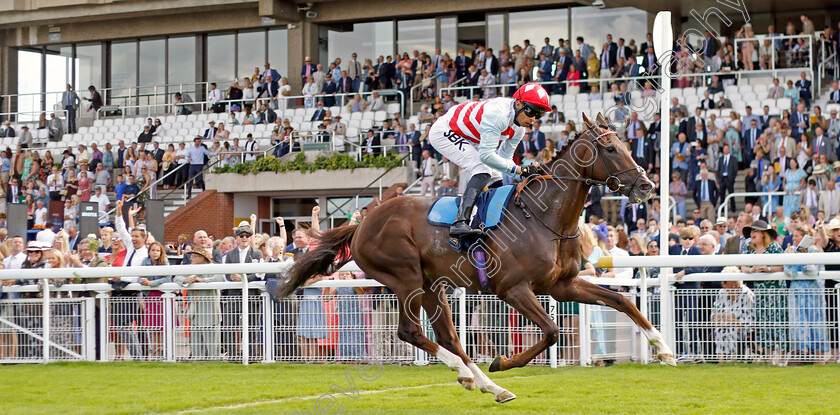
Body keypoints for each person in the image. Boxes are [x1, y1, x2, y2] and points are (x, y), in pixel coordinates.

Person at [429, 83, 550, 238]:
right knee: (482, 169)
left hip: (470, 135)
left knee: (496, 177)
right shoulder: (498, 115)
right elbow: (486, 156)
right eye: (531, 111)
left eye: (538, 115)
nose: (533, 119)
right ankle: (460, 222)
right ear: (518, 104)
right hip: (445, 131)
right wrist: (519, 170)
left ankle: (493, 219)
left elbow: (504, 159)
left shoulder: (519, 128)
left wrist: (526, 173)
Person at [740, 220, 786, 364]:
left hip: (776, 291)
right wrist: (752, 270)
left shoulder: (774, 247)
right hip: (760, 291)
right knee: (763, 323)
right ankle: (768, 358)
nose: (752, 234)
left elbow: (781, 267)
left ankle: (782, 358)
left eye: (755, 231)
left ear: (763, 234)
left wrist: (768, 269)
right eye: (751, 231)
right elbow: (743, 267)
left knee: (778, 323)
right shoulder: (748, 247)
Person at [785, 225, 828, 363]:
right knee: (798, 322)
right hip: (796, 290)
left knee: (814, 321)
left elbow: (812, 271)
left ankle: (818, 358)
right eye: (793, 235)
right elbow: (789, 272)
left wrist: (802, 257)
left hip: (811, 290)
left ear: (804, 237)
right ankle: (800, 356)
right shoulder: (789, 250)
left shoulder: (813, 250)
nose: (794, 238)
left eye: (797, 235)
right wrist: (791, 258)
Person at [174, 247, 225, 359]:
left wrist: (202, 280)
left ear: (203, 258)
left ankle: (215, 362)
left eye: (195, 256)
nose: (192, 258)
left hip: (210, 312)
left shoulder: (212, 267)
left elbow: (220, 278)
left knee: (212, 345)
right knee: (196, 344)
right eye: (191, 256)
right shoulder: (189, 268)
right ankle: (197, 362)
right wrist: (186, 280)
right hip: (195, 313)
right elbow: (176, 278)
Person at [712, 266, 756, 363]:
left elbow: (750, 318)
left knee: (732, 329)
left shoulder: (746, 294)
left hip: (742, 326)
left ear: (733, 283)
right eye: (721, 281)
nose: (722, 284)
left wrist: (735, 321)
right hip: (724, 324)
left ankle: (734, 359)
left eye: (725, 282)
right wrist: (720, 318)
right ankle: (721, 360)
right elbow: (715, 312)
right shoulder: (722, 293)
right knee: (719, 329)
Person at [139, 241, 171, 359]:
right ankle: (156, 352)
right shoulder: (145, 262)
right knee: (153, 326)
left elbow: (167, 278)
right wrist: (143, 282)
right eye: (153, 250)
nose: (155, 253)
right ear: (149, 251)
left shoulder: (165, 262)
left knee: (163, 326)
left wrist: (151, 283)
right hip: (150, 296)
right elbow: (139, 277)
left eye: (158, 250)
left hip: (162, 296)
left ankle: (164, 351)